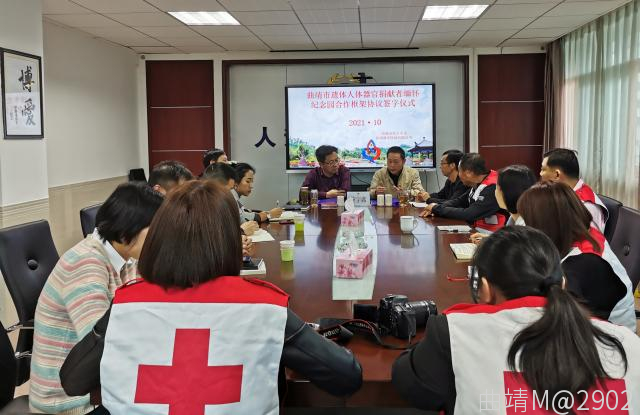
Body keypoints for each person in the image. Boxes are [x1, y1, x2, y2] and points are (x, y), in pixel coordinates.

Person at [59, 181, 363, 414]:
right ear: (230, 240)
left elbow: (73, 381)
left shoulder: (128, 303)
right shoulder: (264, 307)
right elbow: (347, 377)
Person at [392, 226, 640, 414]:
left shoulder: (456, 332)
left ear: (485, 289)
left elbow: (410, 383)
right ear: (563, 283)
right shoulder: (627, 342)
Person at [30, 182, 164, 415]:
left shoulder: (126, 259)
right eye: (156, 231)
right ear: (126, 232)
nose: (161, 239)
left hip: (99, 389)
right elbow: (104, 348)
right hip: (72, 401)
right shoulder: (86, 263)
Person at [518, 182, 636, 332]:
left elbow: (560, 325)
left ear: (545, 223)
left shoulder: (582, 264)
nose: (526, 227)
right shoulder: (582, 233)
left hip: (609, 337)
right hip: (589, 324)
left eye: (528, 221)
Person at [421, 153, 507, 232]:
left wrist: (437, 209)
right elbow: (459, 201)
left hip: (493, 235)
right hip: (477, 230)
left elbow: (470, 214)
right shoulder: (477, 183)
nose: (458, 175)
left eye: (459, 171)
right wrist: (435, 207)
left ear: (468, 173)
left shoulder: (492, 187)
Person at [540, 148, 608, 232]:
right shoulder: (564, 194)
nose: (540, 174)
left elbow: (591, 239)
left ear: (557, 174)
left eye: (543, 169)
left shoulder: (586, 206)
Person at [470, 164, 536, 244]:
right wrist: (491, 239)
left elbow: (514, 246)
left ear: (505, 192)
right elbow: (510, 239)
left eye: (496, 188)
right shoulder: (518, 216)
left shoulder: (524, 229)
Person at [202, 163, 258, 236]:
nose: (230, 194)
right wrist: (241, 231)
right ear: (215, 185)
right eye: (228, 190)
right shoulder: (199, 206)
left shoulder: (216, 203)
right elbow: (212, 237)